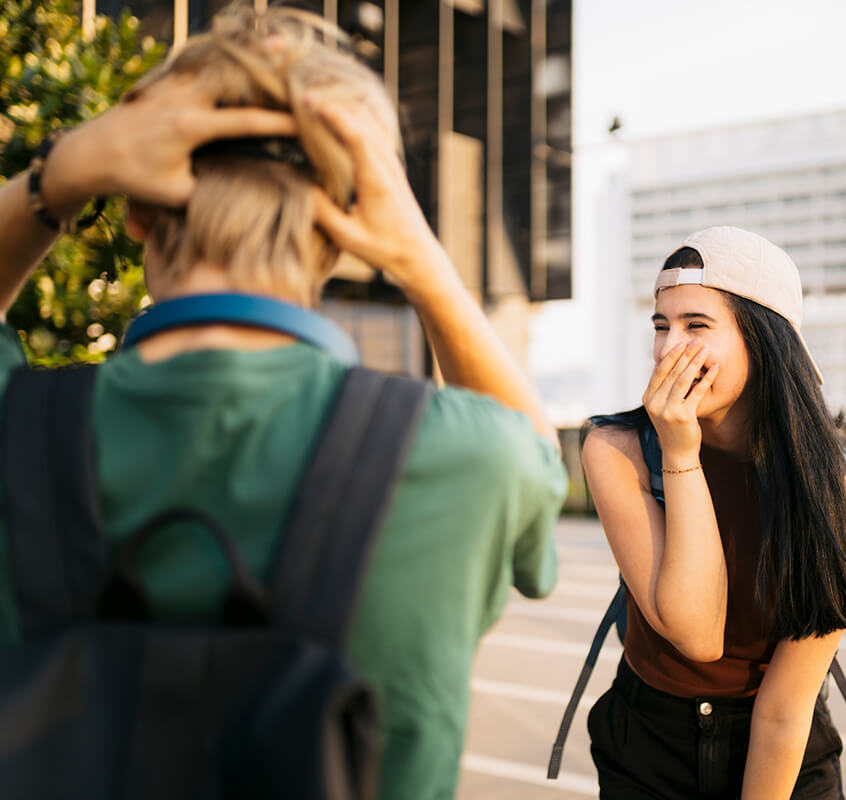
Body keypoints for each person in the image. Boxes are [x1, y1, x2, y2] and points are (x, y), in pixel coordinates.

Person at [0, 8, 565, 800]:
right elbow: (541, 470)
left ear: (130, 207)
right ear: (347, 231)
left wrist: (55, 177)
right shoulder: (473, 457)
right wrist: (424, 263)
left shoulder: (17, 424)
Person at [581, 226, 846, 799]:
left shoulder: (840, 496)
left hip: (783, 746)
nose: (668, 347)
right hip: (651, 743)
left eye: (696, 325)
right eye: (661, 325)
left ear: (763, 339)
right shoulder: (618, 451)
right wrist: (680, 454)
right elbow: (696, 632)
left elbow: (784, 711)